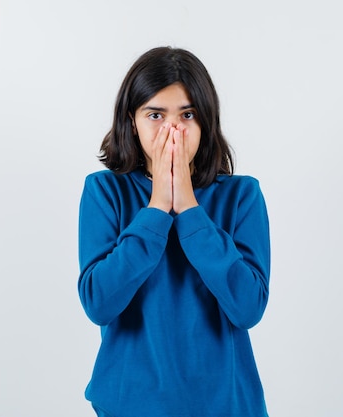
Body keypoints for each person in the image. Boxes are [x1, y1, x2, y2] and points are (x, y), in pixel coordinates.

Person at [77, 46, 271, 417]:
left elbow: (248, 308)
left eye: (187, 114)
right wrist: (156, 208)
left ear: (206, 121)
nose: (173, 129)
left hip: (227, 408)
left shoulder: (242, 196)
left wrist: (189, 208)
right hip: (129, 406)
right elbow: (99, 302)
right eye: (155, 114)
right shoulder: (104, 192)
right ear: (132, 121)